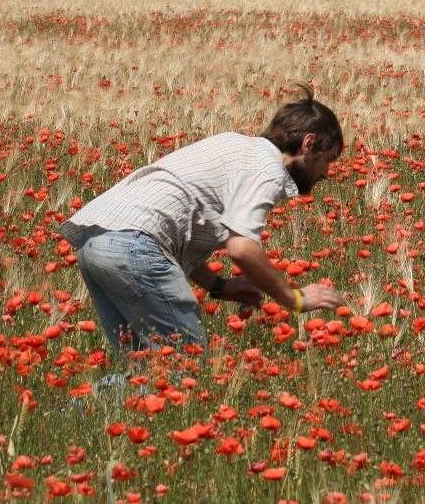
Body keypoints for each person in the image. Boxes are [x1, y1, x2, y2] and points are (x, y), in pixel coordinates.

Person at [60, 86, 348, 359]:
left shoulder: (232, 144)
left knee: (144, 370)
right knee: (183, 370)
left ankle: (71, 411)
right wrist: (295, 298)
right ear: (308, 144)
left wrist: (217, 286)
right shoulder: (268, 169)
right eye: (328, 160)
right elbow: (242, 248)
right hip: (134, 249)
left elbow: (172, 226)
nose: (326, 173)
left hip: (95, 243)